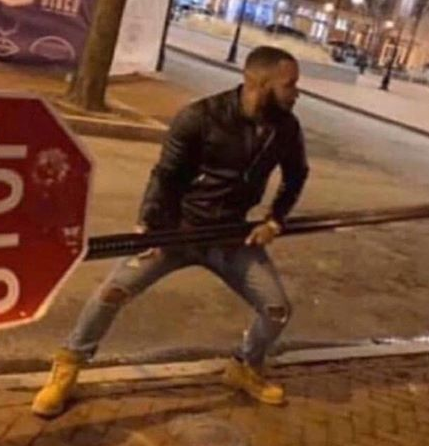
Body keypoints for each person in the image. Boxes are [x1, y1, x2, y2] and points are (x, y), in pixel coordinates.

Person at [32, 46, 310, 417]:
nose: (296, 93)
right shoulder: (200, 117)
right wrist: (150, 227)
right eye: (290, 85)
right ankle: (68, 366)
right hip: (177, 232)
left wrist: (275, 220)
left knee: (277, 309)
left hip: (230, 237)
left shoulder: (286, 128)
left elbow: (296, 175)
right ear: (260, 82)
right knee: (112, 292)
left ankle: (245, 366)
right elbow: (166, 175)